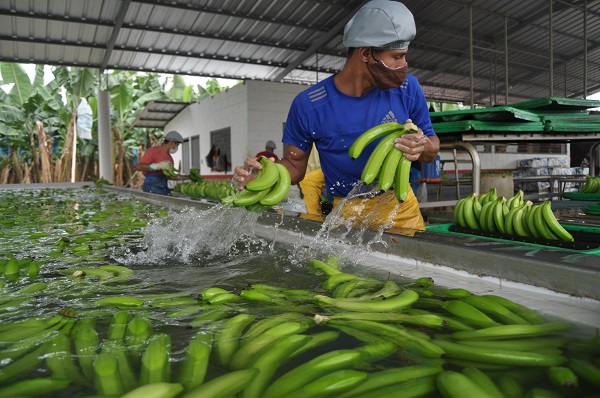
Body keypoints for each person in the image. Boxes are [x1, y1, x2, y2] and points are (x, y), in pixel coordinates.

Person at [234, 0, 439, 231]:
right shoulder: (309, 105)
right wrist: (262, 176)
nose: (404, 65)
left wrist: (422, 146)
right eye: (397, 57)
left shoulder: (408, 89)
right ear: (365, 53)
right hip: (346, 214)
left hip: (401, 208)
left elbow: (432, 146)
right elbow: (293, 165)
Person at [136, 130, 188, 195]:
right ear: (171, 143)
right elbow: (139, 167)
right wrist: (156, 166)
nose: (176, 147)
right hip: (150, 188)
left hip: (163, 188)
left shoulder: (170, 159)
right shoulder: (153, 151)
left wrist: (187, 177)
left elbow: (170, 176)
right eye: (177, 145)